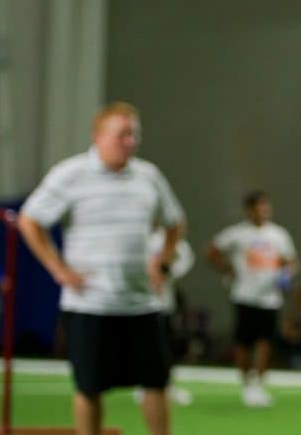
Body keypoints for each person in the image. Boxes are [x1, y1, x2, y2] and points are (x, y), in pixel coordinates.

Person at [17, 102, 186, 435]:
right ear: (98, 136)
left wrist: (163, 260)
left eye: (135, 134)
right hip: (89, 305)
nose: (131, 141)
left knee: (156, 383)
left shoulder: (148, 176)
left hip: (140, 303)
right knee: (89, 388)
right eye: (122, 134)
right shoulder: (71, 174)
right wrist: (57, 268)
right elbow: (29, 219)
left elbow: (175, 222)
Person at [206, 190, 298, 408]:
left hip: (270, 298)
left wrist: (286, 276)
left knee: (266, 342)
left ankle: (258, 384)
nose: (264, 212)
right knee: (243, 344)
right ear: (249, 210)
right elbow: (211, 251)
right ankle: (247, 384)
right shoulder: (237, 234)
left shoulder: (278, 235)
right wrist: (227, 269)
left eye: (266, 207)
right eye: (259, 208)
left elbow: (291, 262)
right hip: (245, 295)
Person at [136, 227, 196, 406]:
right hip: (139, 303)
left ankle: (166, 385)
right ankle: (143, 386)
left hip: (164, 304)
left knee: (165, 346)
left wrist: (165, 271)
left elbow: (183, 261)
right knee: (142, 345)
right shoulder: (141, 237)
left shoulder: (174, 242)